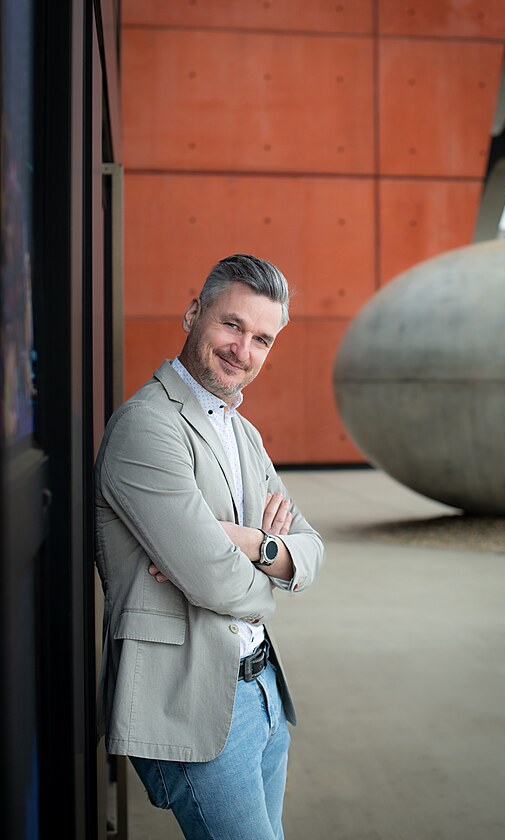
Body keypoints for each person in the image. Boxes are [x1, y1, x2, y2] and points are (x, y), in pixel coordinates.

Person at [94, 253, 324, 840]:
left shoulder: (242, 431)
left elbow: (311, 549)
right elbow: (214, 580)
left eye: (262, 339)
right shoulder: (147, 425)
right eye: (232, 325)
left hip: (263, 688)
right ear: (194, 313)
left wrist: (249, 543)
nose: (243, 350)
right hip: (195, 703)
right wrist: (269, 568)